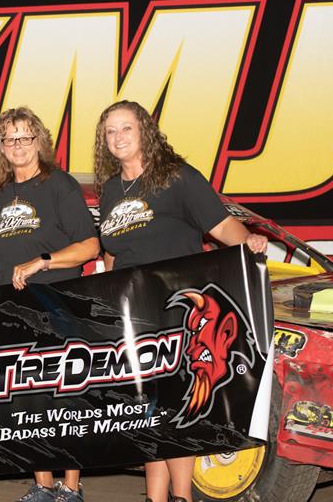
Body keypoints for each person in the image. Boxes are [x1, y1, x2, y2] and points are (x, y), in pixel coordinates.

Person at [93, 100, 268, 502]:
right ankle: (156, 498)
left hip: (180, 313)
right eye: (110, 132)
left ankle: (183, 497)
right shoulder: (111, 191)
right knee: (146, 410)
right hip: (135, 314)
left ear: (145, 132)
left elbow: (222, 226)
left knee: (177, 406)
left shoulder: (177, 178)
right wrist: (107, 299)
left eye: (126, 129)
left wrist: (250, 242)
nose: (118, 138)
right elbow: (113, 255)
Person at [0, 107, 99, 502]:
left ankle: (71, 487)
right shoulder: (0, 194)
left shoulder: (59, 185)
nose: (17, 145)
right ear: (1, 146)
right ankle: (43, 485)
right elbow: (3, 264)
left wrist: (44, 261)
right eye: (9, 138)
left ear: (39, 142)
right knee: (28, 398)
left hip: (59, 305)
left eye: (25, 137)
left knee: (64, 397)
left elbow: (90, 245)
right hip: (15, 311)